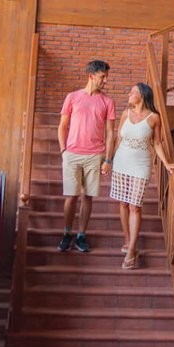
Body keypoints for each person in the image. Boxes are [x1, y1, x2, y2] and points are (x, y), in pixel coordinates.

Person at [109, 82, 174, 269]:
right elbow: (118, 139)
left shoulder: (154, 117)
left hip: (141, 165)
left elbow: (157, 143)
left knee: (135, 206)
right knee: (123, 202)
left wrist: (166, 163)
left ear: (143, 95)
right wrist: (108, 160)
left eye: (133, 92)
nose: (130, 94)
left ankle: (132, 250)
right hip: (121, 162)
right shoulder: (125, 114)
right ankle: (127, 239)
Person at [57, 60, 116, 253]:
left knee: (88, 196)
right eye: (102, 77)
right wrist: (63, 151)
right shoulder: (72, 97)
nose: (105, 80)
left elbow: (110, 133)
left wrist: (108, 159)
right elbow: (63, 126)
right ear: (91, 76)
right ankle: (67, 233)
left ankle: (81, 235)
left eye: (106, 77)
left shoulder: (108, 102)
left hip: (95, 155)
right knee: (71, 196)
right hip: (72, 154)